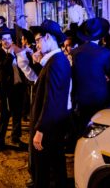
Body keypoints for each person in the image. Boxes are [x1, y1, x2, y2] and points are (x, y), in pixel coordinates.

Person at [29, 20, 71, 188]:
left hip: (49, 128)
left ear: (47, 37)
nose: (37, 45)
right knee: (54, 169)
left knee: (45, 173)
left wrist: (40, 130)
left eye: (38, 40)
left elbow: (52, 100)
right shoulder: (56, 60)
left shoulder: (56, 62)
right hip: (52, 126)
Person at [71, 18, 110, 133]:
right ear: (100, 36)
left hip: (81, 94)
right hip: (100, 95)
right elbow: (108, 71)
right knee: (98, 126)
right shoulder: (105, 52)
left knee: (83, 125)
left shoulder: (75, 52)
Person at [0, 29, 27, 151]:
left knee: (17, 115)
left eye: (8, 39)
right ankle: (0, 142)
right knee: (4, 116)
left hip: (18, 88)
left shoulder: (18, 52)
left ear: (12, 40)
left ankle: (16, 138)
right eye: (4, 39)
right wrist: (10, 54)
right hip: (5, 91)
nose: (6, 41)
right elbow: (2, 69)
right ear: (1, 41)